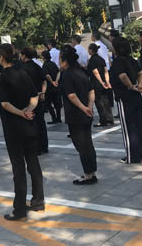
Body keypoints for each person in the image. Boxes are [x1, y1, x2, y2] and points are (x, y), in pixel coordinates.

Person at [0, 43, 44, 221]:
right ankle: (38, 201)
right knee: (33, 163)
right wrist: (28, 110)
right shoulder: (23, 73)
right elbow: (34, 96)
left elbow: (5, 104)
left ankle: (20, 210)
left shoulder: (1, 78)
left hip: (13, 128)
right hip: (29, 125)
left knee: (18, 168)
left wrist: (21, 113)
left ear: (1, 57)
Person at [59, 47, 98, 185]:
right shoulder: (82, 71)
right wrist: (89, 107)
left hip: (76, 115)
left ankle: (88, 176)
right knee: (88, 144)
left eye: (60, 60)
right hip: (87, 114)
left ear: (65, 61)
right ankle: (92, 173)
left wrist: (83, 108)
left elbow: (71, 95)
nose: (59, 63)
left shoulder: (67, 75)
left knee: (82, 145)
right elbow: (91, 91)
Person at [110, 38, 142, 164]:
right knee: (138, 124)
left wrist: (130, 86)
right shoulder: (132, 60)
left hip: (124, 96)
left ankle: (132, 156)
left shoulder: (118, 61)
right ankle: (141, 152)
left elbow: (122, 76)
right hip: (136, 96)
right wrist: (140, 86)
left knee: (128, 127)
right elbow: (141, 73)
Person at [20, 47, 48, 155]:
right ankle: (44, 146)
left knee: (31, 122)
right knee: (40, 122)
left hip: (29, 99)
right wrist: (42, 93)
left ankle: (36, 148)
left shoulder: (22, 68)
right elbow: (44, 81)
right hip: (39, 97)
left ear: (24, 55)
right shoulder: (37, 66)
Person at [87, 43, 114, 127]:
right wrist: (107, 82)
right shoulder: (101, 59)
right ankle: (110, 118)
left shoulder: (92, 60)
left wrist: (101, 82)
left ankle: (103, 120)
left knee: (99, 102)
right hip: (105, 82)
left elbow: (95, 72)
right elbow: (106, 71)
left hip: (96, 83)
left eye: (88, 49)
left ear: (91, 50)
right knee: (106, 101)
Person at [41, 50, 61, 124]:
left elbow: (47, 75)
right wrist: (56, 81)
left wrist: (52, 82)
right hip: (56, 86)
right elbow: (59, 72)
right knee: (57, 104)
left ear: (43, 57)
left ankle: (54, 118)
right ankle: (58, 118)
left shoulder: (45, 65)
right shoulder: (53, 63)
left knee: (48, 104)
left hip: (49, 87)